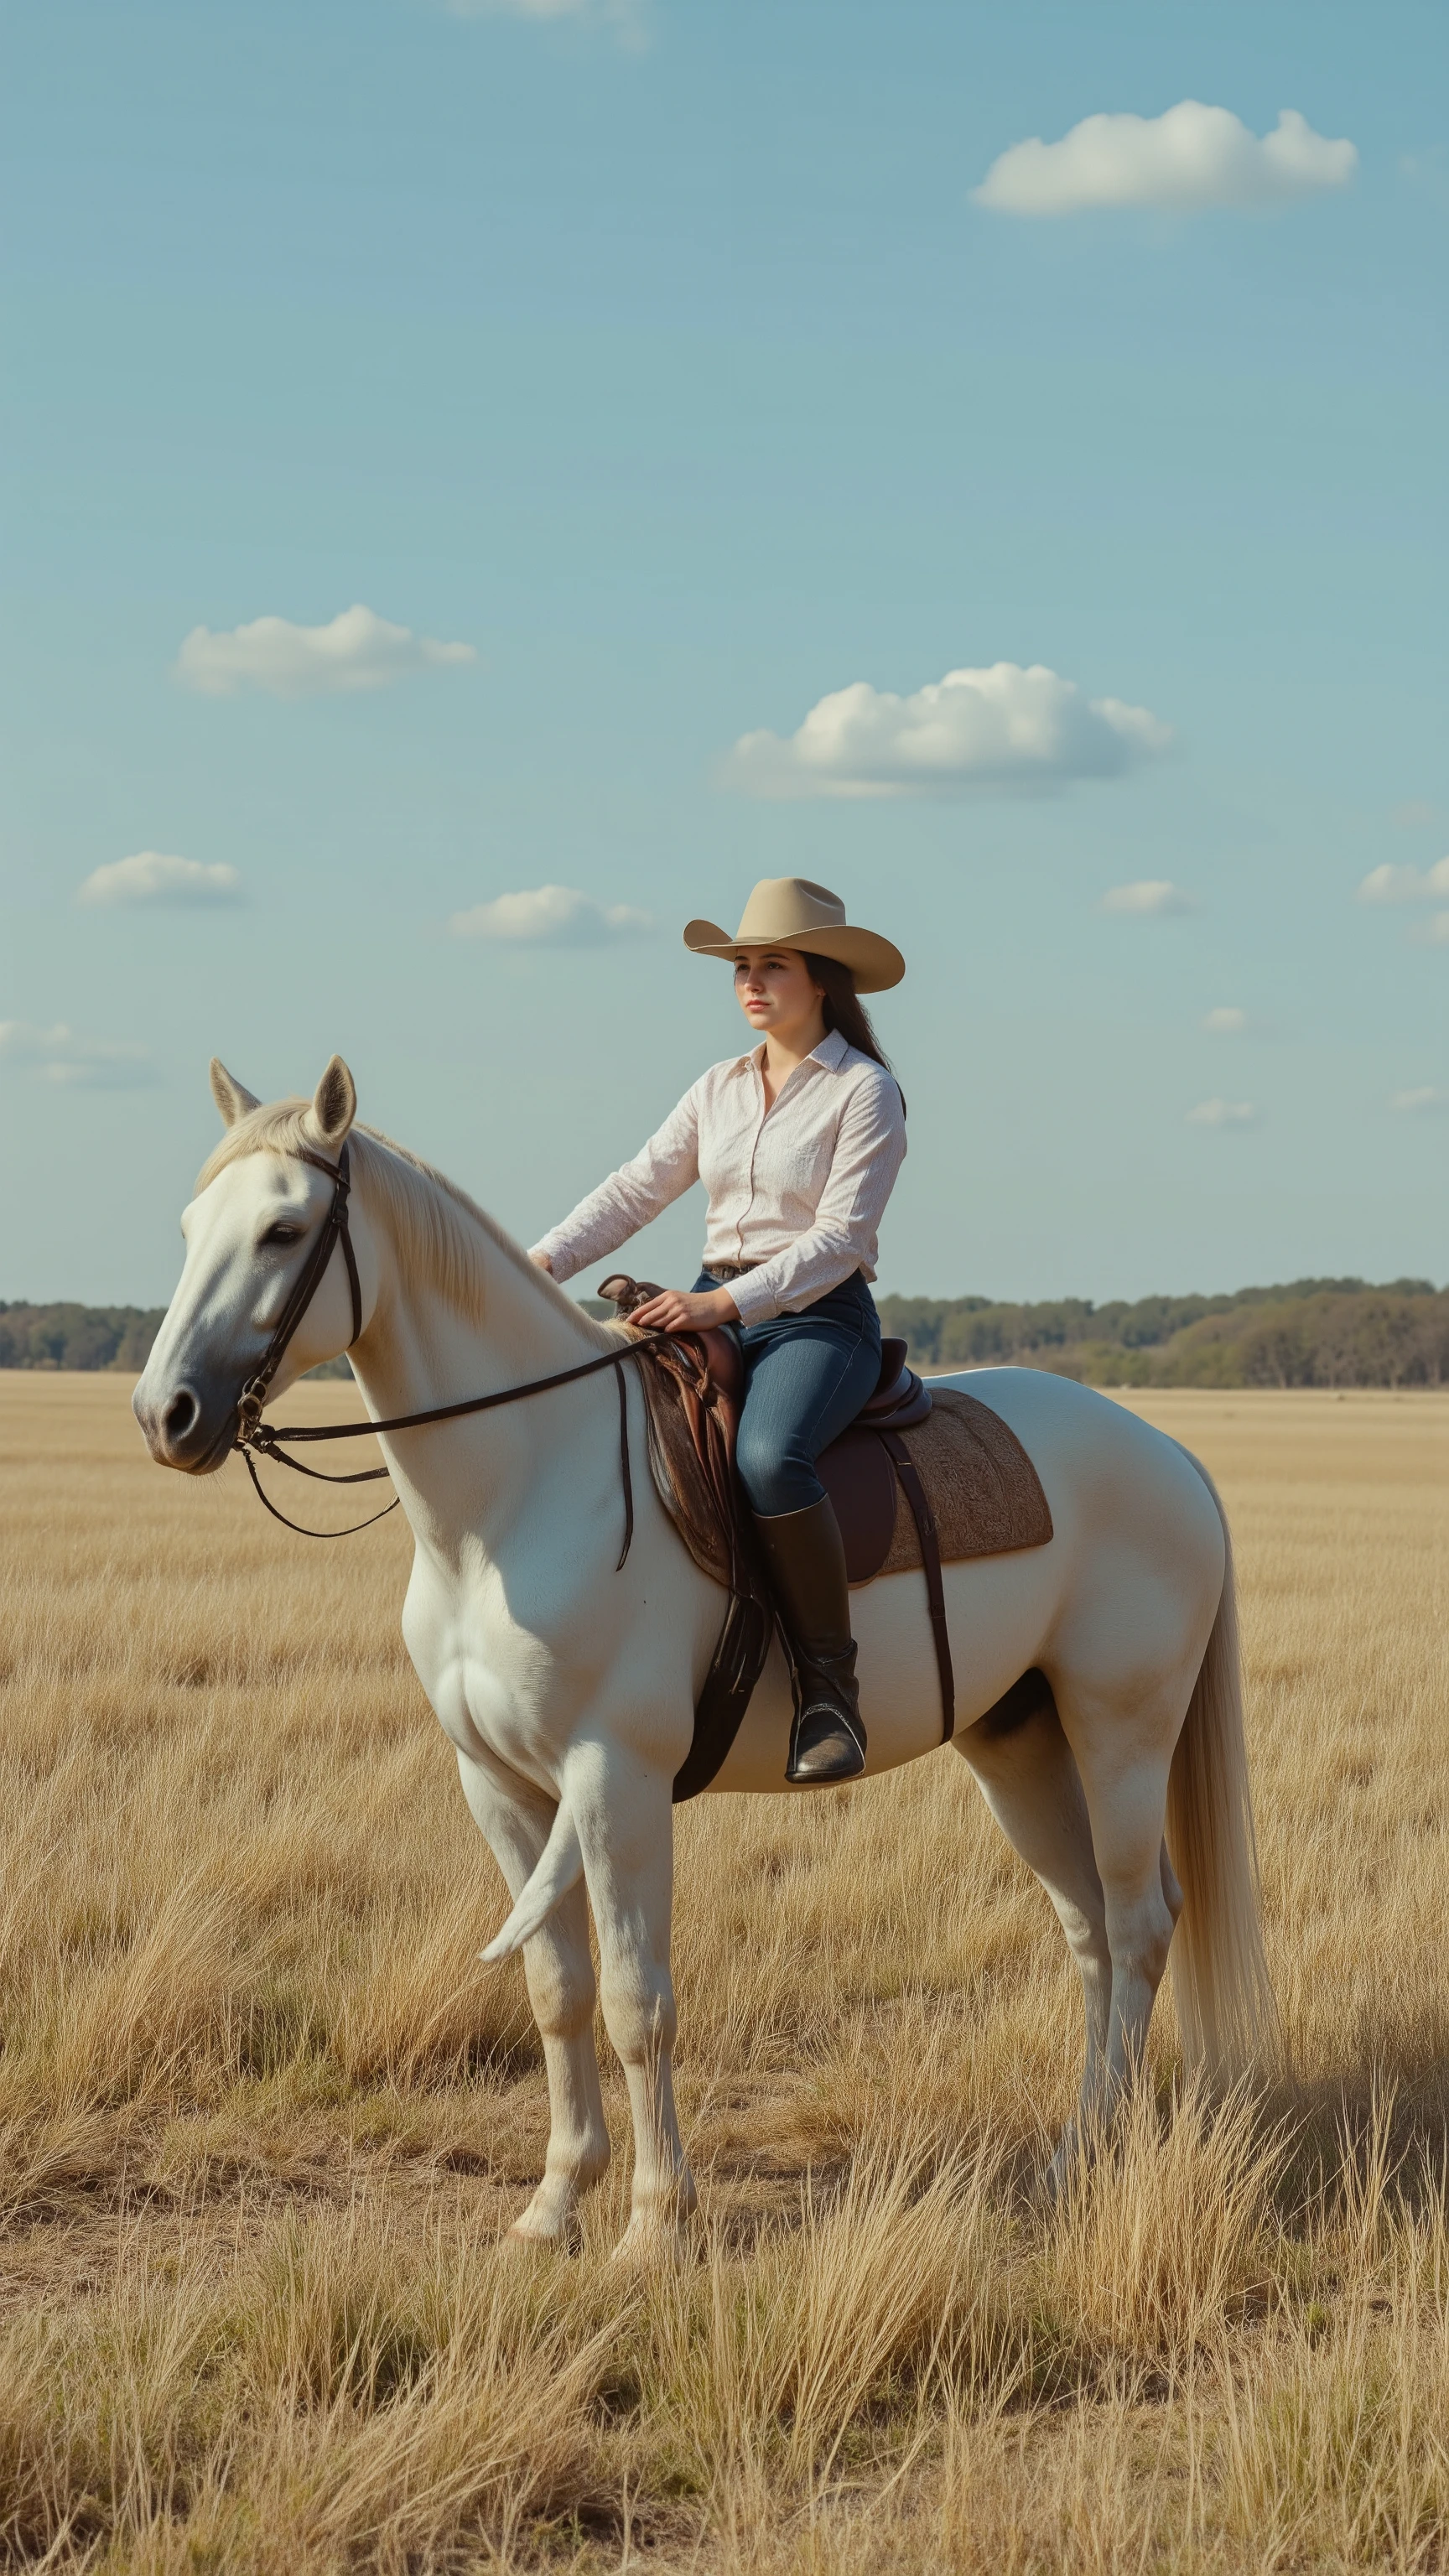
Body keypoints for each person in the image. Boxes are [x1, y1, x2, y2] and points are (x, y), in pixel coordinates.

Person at [529, 876, 906, 1785]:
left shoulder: (866, 1093)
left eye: (770, 965)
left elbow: (837, 1242)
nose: (749, 981)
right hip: (708, 1304)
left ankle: (828, 1693)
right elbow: (633, 1190)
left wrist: (718, 1308)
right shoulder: (717, 1087)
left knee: (770, 1459)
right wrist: (534, 1266)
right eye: (740, 966)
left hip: (817, 1319)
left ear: (820, 978)